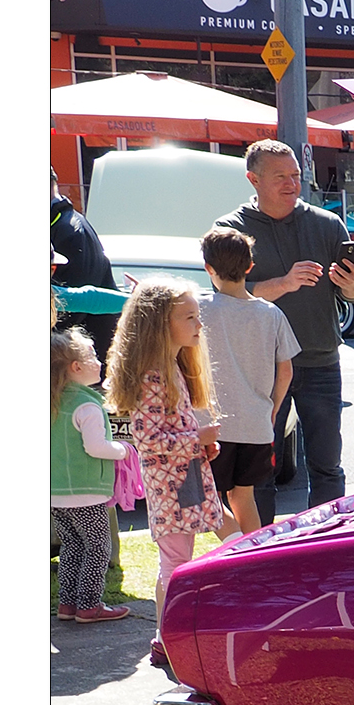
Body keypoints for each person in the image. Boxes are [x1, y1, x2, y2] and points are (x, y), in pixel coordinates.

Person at [216, 140, 354, 515]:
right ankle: (264, 543)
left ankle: (327, 540)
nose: (291, 184)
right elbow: (224, 293)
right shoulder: (231, 229)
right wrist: (282, 284)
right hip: (259, 368)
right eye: (280, 176)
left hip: (320, 360)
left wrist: (352, 284)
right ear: (253, 179)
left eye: (296, 175)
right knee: (259, 471)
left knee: (327, 466)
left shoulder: (326, 224)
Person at [105, 278, 226, 624]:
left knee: (179, 558)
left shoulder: (170, 368)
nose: (199, 324)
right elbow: (148, 440)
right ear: (161, 323)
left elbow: (169, 432)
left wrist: (199, 446)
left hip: (181, 481)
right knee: (176, 562)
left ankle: (168, 633)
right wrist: (196, 438)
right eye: (189, 317)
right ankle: (169, 634)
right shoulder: (152, 376)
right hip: (168, 487)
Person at [196, 227, 298, 540]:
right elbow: (286, 370)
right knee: (244, 496)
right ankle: (256, 555)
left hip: (212, 425)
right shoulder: (272, 313)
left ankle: (239, 551)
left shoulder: (199, 309)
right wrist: (273, 408)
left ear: (208, 268)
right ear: (250, 266)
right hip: (256, 424)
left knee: (206, 497)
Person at [50, 327, 134, 625]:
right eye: (93, 356)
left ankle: (68, 603)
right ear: (76, 367)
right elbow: (96, 447)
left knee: (72, 546)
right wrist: (124, 450)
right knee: (98, 547)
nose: (99, 362)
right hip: (86, 491)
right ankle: (89, 605)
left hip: (56, 492)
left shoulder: (54, 401)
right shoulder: (87, 405)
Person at [50, 172, 120, 362]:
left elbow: (81, 302)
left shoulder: (71, 231)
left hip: (81, 363)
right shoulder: (64, 225)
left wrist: (140, 300)